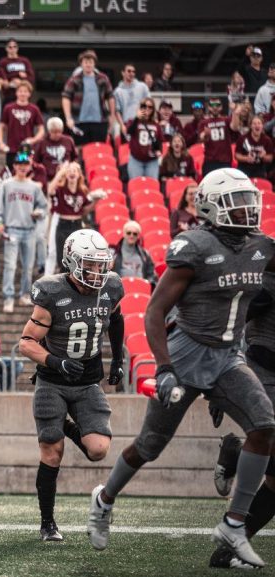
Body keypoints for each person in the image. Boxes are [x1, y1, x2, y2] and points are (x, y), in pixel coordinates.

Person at [88, 169, 275, 570]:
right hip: (188, 355)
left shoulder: (261, 245)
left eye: (248, 200)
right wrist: (165, 367)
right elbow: (154, 311)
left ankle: (234, 523)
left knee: (264, 426)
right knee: (149, 446)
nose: (246, 209)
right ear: (209, 206)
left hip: (228, 357)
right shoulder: (194, 247)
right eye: (235, 202)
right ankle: (104, 500)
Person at [21, 229, 124, 542]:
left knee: (98, 449)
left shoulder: (111, 286)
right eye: (89, 264)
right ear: (71, 261)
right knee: (52, 451)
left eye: (99, 264)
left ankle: (64, 424)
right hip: (53, 381)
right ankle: (47, 523)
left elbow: (116, 319)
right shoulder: (52, 291)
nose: (96, 271)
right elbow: (27, 343)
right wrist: (55, 361)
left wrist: (117, 359)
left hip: (88, 380)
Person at [207, 271, 275, 569]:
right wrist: (220, 380)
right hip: (266, 373)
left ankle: (228, 548)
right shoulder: (267, 285)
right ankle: (235, 453)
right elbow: (230, 324)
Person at [0, 152, 48, 313]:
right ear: (14, 166)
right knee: (10, 266)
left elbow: (43, 207)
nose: (23, 168)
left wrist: (39, 213)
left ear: (29, 166)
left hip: (29, 230)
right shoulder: (6, 185)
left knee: (28, 267)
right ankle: (8, 298)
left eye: (25, 165)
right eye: (19, 165)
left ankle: (24, 295)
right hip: (12, 229)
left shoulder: (34, 187)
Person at [46, 162, 101, 273]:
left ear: (79, 174)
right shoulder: (60, 189)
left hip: (77, 225)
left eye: (74, 170)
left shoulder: (82, 191)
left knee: (77, 259)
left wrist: (96, 201)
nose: (71, 173)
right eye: (69, 171)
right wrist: (60, 173)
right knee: (62, 260)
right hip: (63, 225)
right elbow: (50, 190)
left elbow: (84, 210)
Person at [61, 50, 115, 145]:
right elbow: (66, 97)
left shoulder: (103, 78)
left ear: (94, 64)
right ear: (81, 64)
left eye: (90, 62)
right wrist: (68, 118)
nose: (88, 64)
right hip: (79, 121)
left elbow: (110, 97)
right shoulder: (74, 80)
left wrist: (112, 115)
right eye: (85, 62)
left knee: (98, 149)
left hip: (100, 121)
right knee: (80, 150)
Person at [0, 81, 44, 165]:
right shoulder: (8, 108)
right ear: (16, 93)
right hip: (11, 148)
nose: (23, 94)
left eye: (25, 91)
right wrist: (1, 143)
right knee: (11, 172)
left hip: (26, 148)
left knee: (24, 170)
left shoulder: (34, 109)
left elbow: (41, 129)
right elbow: (1, 127)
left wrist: (33, 140)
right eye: (20, 91)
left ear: (29, 94)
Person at [200, 97, 242, 176]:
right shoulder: (203, 122)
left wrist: (235, 113)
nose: (215, 107)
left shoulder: (226, 120)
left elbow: (235, 127)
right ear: (208, 107)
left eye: (217, 105)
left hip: (225, 161)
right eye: (212, 105)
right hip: (210, 161)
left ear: (221, 107)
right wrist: (206, 135)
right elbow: (201, 138)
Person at [125, 98, 162, 180]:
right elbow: (129, 131)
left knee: (152, 186)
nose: (147, 109)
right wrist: (137, 118)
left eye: (150, 107)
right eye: (144, 106)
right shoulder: (133, 121)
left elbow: (159, 141)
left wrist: (158, 151)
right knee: (136, 186)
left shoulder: (156, 125)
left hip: (152, 161)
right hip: (136, 160)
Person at [34, 117, 77, 181]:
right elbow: (36, 161)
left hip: (65, 177)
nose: (57, 134)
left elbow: (74, 158)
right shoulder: (42, 143)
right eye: (54, 132)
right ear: (49, 131)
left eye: (59, 131)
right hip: (48, 178)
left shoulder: (68, 140)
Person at [0, 39, 34, 104]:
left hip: (23, 95)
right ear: (6, 48)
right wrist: (12, 80)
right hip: (9, 95)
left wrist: (21, 81)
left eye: (14, 47)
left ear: (17, 48)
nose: (12, 49)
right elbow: (1, 76)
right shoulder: (3, 62)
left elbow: (31, 77)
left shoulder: (25, 61)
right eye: (10, 47)